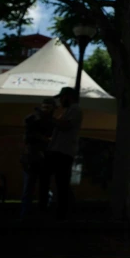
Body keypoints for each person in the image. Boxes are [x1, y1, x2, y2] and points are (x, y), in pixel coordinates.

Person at [40, 86, 82, 219]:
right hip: (59, 151)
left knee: (59, 182)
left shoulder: (75, 109)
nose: (60, 101)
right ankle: (62, 210)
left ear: (68, 97)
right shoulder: (69, 110)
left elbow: (66, 125)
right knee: (60, 182)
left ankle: (61, 212)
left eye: (62, 98)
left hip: (62, 152)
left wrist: (50, 118)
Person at [20, 97, 56, 218]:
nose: (46, 110)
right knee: (31, 187)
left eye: (48, 107)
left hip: (42, 158)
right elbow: (27, 138)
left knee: (39, 187)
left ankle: (33, 214)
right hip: (33, 157)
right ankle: (27, 214)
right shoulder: (33, 119)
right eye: (44, 107)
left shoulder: (50, 121)